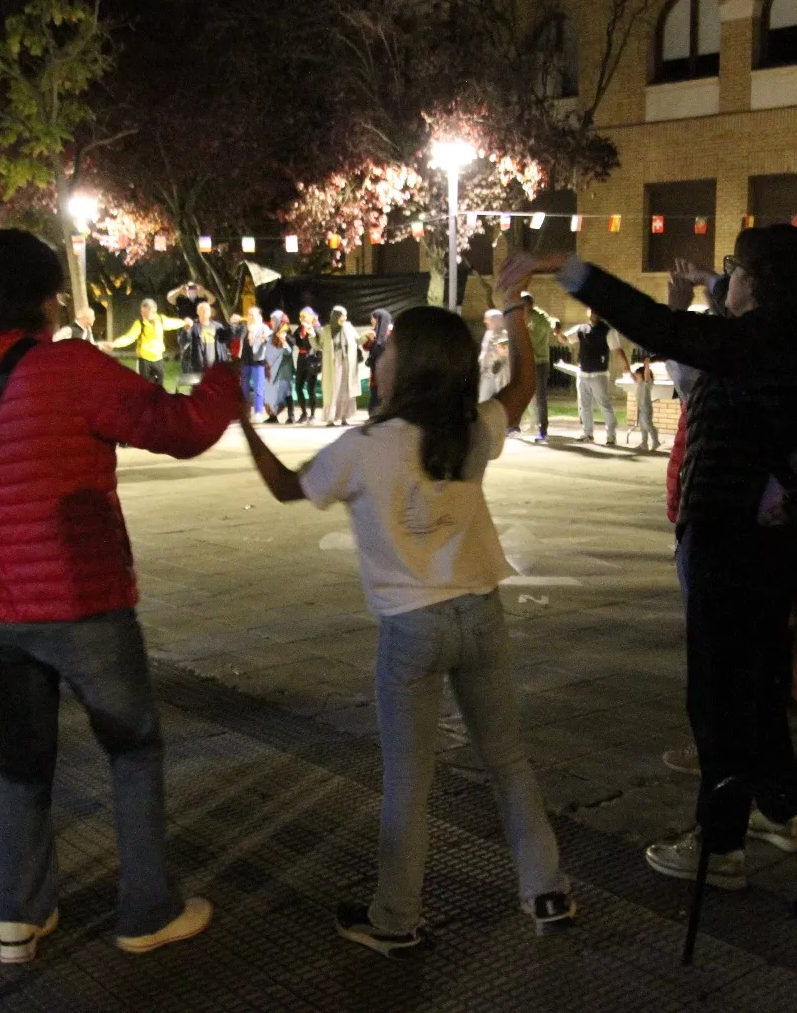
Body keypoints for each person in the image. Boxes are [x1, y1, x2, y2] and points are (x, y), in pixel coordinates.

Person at [0, 229, 238, 964]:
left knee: (22, 757)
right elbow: (181, 429)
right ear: (40, 294)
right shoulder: (68, 367)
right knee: (131, 746)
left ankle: (17, 916)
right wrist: (223, 379)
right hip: (79, 594)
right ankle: (147, 909)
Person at [506, 225, 797, 891]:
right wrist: (704, 297)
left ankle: (720, 847)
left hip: (734, 539)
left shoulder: (768, 339)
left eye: (734, 268)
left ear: (760, 278)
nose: (728, 279)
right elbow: (703, 352)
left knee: (717, 695)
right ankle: (777, 810)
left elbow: (662, 330)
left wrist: (571, 269)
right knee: (761, 681)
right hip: (774, 541)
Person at [239, 297, 574, 955]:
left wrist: (243, 426)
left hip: (410, 630)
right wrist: (517, 312)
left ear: (411, 365)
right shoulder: (469, 430)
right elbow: (525, 387)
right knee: (507, 759)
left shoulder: (364, 447)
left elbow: (287, 486)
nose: (378, 357)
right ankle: (547, 891)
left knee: (408, 780)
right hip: (481, 614)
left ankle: (395, 918)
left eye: (388, 349)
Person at [556, 309, 625, 445]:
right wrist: (558, 333)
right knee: (584, 406)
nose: (594, 313)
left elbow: (617, 350)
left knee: (604, 405)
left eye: (596, 311)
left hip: (599, 374)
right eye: (592, 311)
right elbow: (565, 340)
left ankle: (611, 435)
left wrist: (626, 368)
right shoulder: (581, 329)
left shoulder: (607, 330)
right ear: (588, 312)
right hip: (583, 373)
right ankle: (587, 433)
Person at [103, 298, 188, 386]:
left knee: (159, 387)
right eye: (142, 312)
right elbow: (128, 337)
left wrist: (185, 322)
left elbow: (173, 323)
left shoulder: (161, 320)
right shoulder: (139, 324)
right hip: (144, 361)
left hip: (158, 359)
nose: (143, 315)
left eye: (146, 313)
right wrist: (114, 344)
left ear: (154, 311)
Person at [521, 294, 558, 442]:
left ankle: (543, 430)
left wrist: (557, 326)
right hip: (527, 362)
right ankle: (515, 425)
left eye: (522, 306)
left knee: (540, 398)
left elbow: (551, 322)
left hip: (539, 363)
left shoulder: (538, 319)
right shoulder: (524, 317)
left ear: (529, 305)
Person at [319, 305, 360, 427]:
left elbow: (358, 341)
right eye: (342, 316)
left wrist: (367, 336)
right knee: (334, 391)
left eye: (346, 316)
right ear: (335, 316)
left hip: (347, 361)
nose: (345, 318)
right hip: (333, 364)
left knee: (345, 390)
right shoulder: (326, 330)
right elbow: (319, 345)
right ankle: (331, 419)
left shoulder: (348, 327)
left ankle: (344, 417)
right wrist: (311, 336)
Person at [180, 300, 231, 390]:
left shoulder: (218, 326)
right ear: (197, 312)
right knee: (198, 392)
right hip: (198, 367)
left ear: (210, 312)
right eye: (201, 309)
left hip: (215, 366)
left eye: (207, 309)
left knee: (215, 391)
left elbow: (226, 340)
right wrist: (186, 330)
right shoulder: (193, 326)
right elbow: (183, 341)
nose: (204, 311)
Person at [236, 306, 271, 414]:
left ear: (259, 316)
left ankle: (258, 412)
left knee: (258, 388)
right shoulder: (244, 327)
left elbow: (266, 341)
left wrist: (255, 336)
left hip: (258, 361)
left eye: (252, 315)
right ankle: (245, 413)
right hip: (245, 360)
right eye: (249, 314)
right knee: (244, 387)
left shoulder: (264, 328)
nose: (250, 317)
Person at [293, 305, 323, 424]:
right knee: (298, 387)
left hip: (312, 360)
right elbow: (297, 342)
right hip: (301, 359)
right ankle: (304, 413)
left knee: (311, 388)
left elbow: (319, 344)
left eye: (305, 317)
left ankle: (313, 415)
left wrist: (312, 333)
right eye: (301, 318)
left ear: (311, 318)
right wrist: (299, 336)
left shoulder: (317, 328)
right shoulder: (300, 329)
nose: (302, 320)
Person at [264, 323, 297, 423]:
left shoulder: (289, 339)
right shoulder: (272, 339)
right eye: (280, 330)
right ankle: (273, 416)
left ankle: (291, 416)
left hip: (285, 370)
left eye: (284, 331)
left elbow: (288, 352)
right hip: (273, 370)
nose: (281, 333)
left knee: (287, 393)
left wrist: (283, 340)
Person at [477, 308, 508, 404]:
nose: (485, 321)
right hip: (487, 374)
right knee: (483, 401)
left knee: (503, 400)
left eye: (488, 319)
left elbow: (504, 354)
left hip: (499, 373)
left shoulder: (505, 335)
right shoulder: (488, 334)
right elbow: (484, 352)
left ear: (496, 320)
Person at [364, 308, 393, 412]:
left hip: (388, 368)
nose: (372, 321)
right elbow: (365, 347)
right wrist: (370, 339)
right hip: (375, 368)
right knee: (374, 390)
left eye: (373, 318)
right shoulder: (373, 332)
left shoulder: (391, 333)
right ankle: (374, 412)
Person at [632, 363, 661, 451]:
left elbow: (647, 375)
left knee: (648, 424)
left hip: (646, 408)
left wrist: (647, 366)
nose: (636, 377)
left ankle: (656, 441)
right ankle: (644, 443)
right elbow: (633, 376)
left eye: (638, 376)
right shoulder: (639, 384)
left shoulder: (646, 384)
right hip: (641, 408)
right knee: (643, 427)